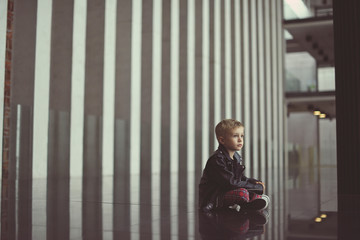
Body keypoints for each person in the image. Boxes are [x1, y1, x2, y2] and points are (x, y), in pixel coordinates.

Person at [199, 119, 270, 213]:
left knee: (249, 190)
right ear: (222, 140)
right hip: (214, 199)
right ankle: (251, 200)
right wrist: (256, 188)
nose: (240, 139)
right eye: (235, 136)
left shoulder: (236, 158)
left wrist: (255, 182)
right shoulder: (216, 160)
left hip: (226, 191)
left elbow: (240, 178)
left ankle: (252, 200)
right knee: (242, 193)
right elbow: (231, 183)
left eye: (242, 136)